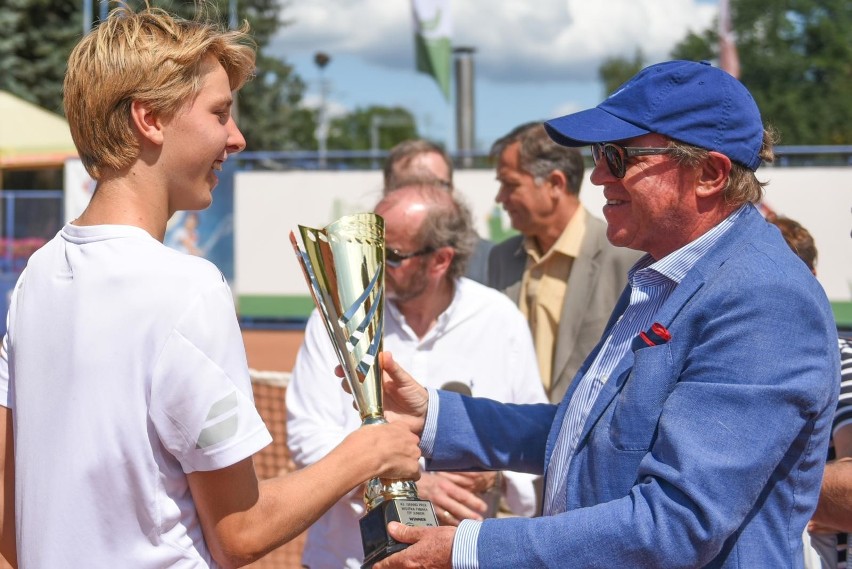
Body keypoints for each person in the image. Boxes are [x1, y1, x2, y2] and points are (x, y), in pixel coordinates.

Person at [367, 60, 841, 568]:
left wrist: (470, 548)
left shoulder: (764, 298)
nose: (596, 175)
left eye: (619, 156)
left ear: (709, 174)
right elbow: (593, 431)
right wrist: (435, 417)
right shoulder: (666, 272)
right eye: (599, 154)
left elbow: (675, 523)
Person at [0, 6, 421, 567]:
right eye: (220, 113)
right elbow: (240, 532)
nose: (238, 137)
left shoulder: (35, 278)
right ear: (149, 119)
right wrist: (367, 451)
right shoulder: (188, 287)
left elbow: (11, 521)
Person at [286, 184, 547, 568]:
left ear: (440, 260)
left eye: (390, 256)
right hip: (346, 558)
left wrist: (493, 477)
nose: (372, 267)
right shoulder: (333, 320)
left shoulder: (499, 318)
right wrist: (405, 483)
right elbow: (305, 434)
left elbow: (533, 436)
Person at [487, 122, 640, 402]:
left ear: (555, 184)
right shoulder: (501, 258)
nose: (500, 198)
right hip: (507, 437)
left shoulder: (625, 257)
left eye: (510, 185)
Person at [383, 139, 493, 284]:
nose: (426, 197)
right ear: (387, 192)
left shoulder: (490, 261)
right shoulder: (364, 266)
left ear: (452, 189)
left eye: (436, 185)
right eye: (410, 186)